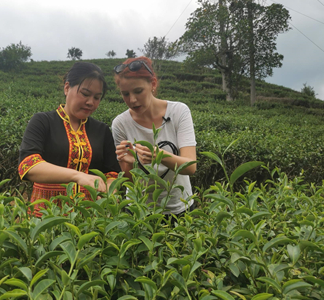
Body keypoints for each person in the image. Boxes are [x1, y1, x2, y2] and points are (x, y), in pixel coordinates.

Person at [18, 62, 121, 217]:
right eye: (85, 94)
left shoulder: (101, 130)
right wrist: (78, 176)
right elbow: (28, 165)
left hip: (88, 216)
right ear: (67, 88)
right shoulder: (43, 121)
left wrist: (107, 192)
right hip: (45, 215)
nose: (90, 102)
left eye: (97, 97)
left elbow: (112, 173)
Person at [112, 56, 197, 216]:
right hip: (140, 210)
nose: (132, 100)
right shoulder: (120, 124)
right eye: (125, 94)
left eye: (138, 91)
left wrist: (159, 156)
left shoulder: (179, 112)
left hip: (180, 208)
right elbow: (129, 181)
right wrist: (130, 165)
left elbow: (191, 167)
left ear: (153, 84)